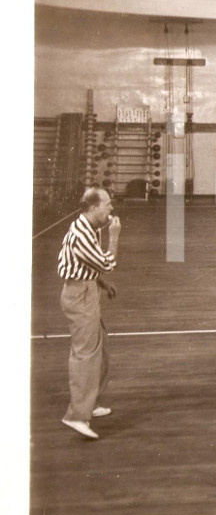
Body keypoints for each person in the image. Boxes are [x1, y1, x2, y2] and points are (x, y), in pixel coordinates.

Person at [57, 187, 121, 439]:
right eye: (107, 204)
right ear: (93, 207)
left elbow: (80, 264)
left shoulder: (87, 228)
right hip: (79, 297)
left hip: (87, 291)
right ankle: (76, 416)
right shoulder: (82, 234)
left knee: (100, 350)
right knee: (86, 355)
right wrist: (114, 236)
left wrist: (100, 283)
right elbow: (107, 263)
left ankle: (89, 403)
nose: (111, 208)